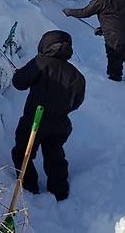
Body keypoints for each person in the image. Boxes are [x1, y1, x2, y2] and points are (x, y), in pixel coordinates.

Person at [11, 30, 86, 201]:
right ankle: (59, 190)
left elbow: (19, 83)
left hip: (33, 121)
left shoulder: (40, 63)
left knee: (23, 153)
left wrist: (19, 74)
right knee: (54, 155)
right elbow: (77, 101)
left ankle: (29, 187)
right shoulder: (76, 75)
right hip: (60, 123)